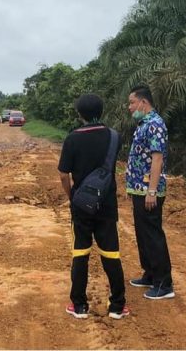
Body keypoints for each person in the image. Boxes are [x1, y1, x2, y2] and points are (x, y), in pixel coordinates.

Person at [58, 93, 129, 320]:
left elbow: (63, 175)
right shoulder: (114, 137)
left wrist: (73, 196)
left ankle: (79, 305)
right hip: (107, 205)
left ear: (79, 114)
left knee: (81, 252)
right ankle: (118, 306)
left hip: (81, 205)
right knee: (111, 253)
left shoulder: (72, 139)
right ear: (102, 111)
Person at [126, 85, 175, 299]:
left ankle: (164, 284)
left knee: (153, 234)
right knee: (142, 233)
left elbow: (157, 158)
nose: (129, 107)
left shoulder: (155, 125)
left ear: (143, 102)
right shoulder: (143, 123)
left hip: (149, 189)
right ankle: (150, 274)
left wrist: (152, 191)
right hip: (138, 188)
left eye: (131, 102)